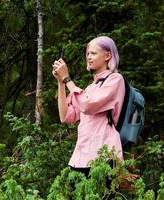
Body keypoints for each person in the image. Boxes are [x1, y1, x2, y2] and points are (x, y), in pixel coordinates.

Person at [52, 36, 125, 177]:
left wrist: (67, 79)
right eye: (87, 54)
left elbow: (87, 105)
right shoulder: (91, 87)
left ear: (107, 56)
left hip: (104, 155)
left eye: (93, 53)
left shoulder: (115, 80)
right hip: (81, 158)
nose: (89, 57)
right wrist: (61, 83)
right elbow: (66, 116)